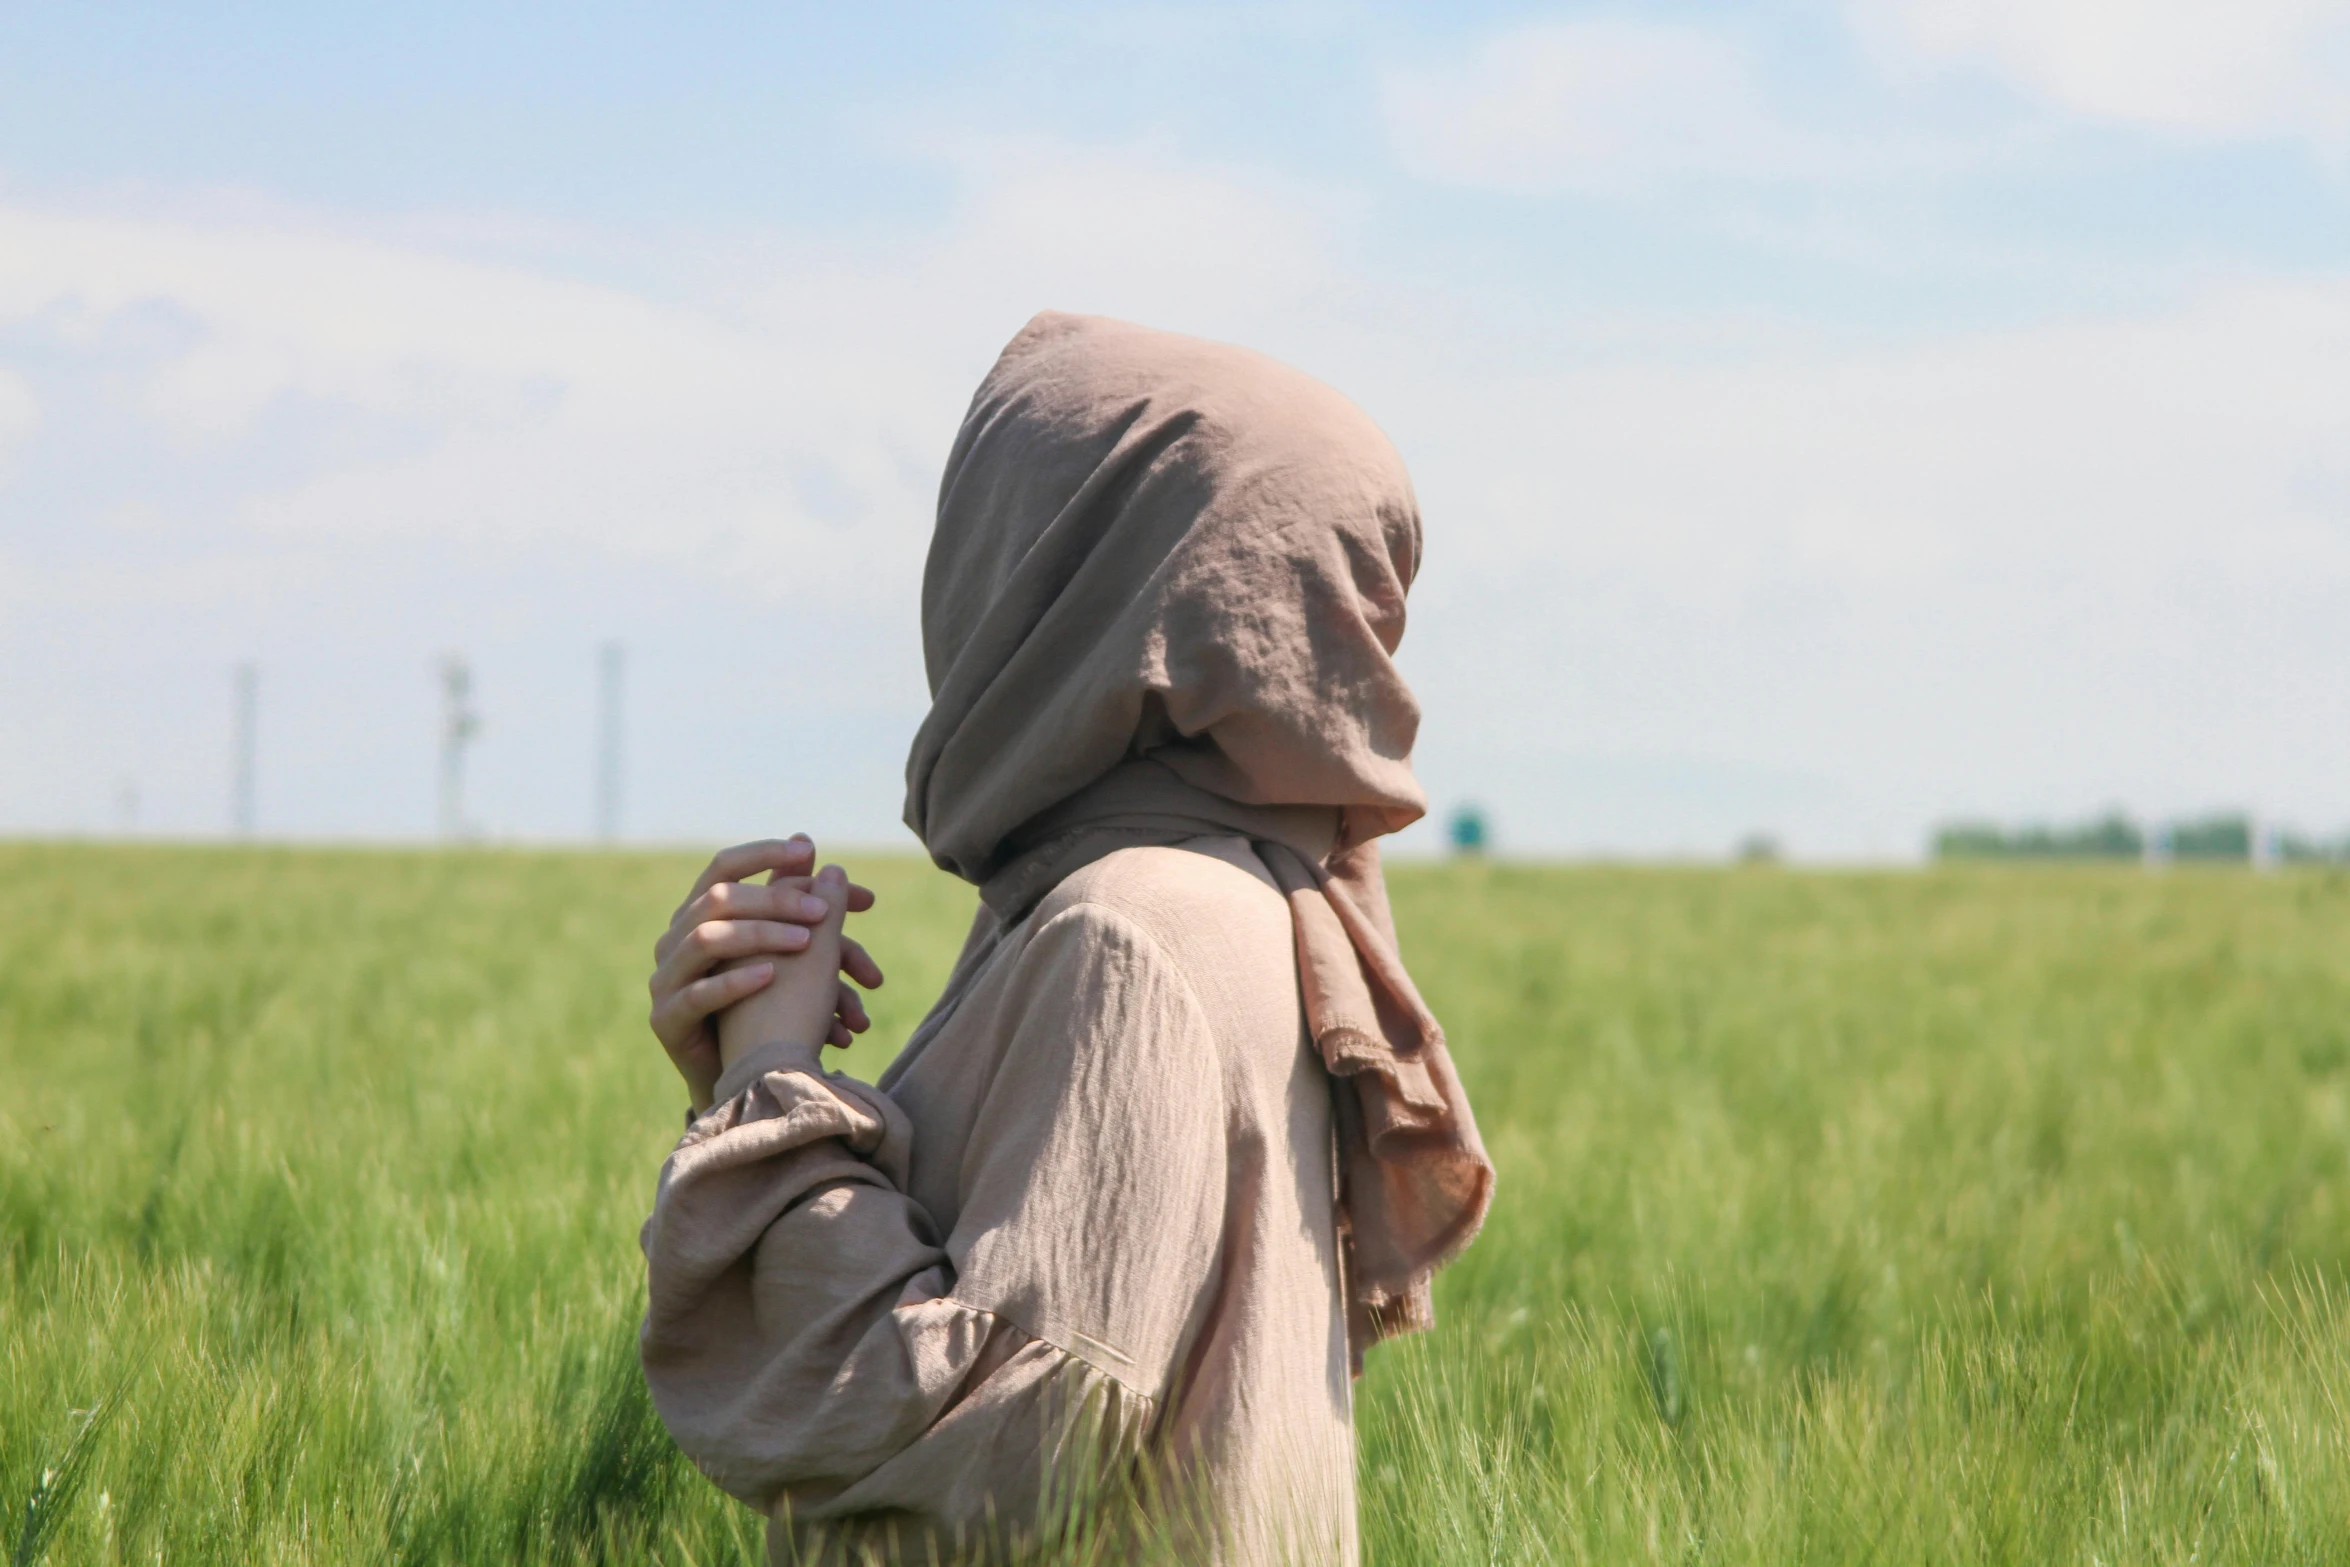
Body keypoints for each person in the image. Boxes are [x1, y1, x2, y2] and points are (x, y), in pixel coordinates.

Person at [637, 312, 1493, 1565]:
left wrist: (776, 1087)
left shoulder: (1129, 935)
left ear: (1060, 587)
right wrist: (747, 1087)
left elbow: (979, 1445)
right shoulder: (1253, 910)